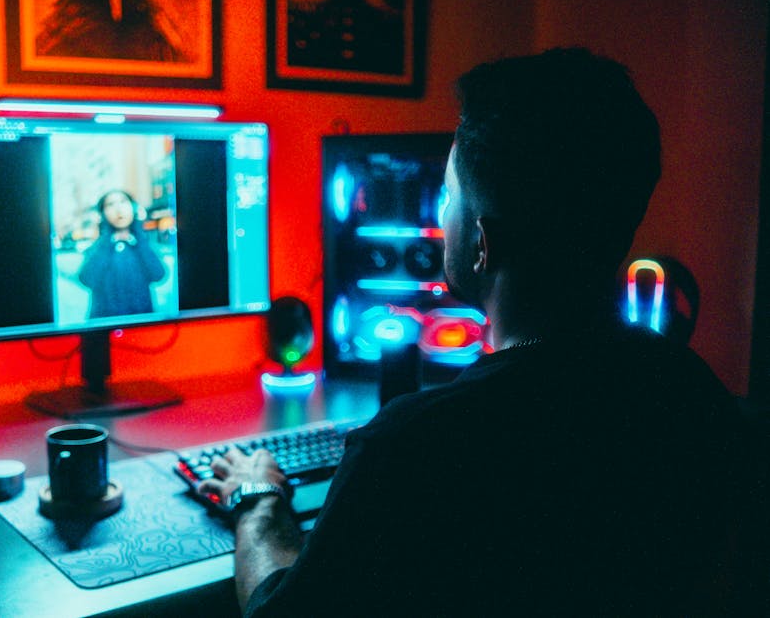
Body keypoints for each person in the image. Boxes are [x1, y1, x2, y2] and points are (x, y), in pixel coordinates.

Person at [197, 48, 769, 615]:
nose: (441, 216)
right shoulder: (693, 392)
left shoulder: (416, 443)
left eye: (448, 196)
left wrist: (259, 500)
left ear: (483, 242)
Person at [79, 189, 166, 318]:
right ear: (102, 214)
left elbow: (158, 275)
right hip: (104, 325)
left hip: (141, 323)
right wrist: (107, 241)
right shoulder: (96, 248)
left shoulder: (142, 243)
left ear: (133, 208)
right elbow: (86, 279)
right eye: (110, 204)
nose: (118, 209)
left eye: (123, 202)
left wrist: (139, 237)